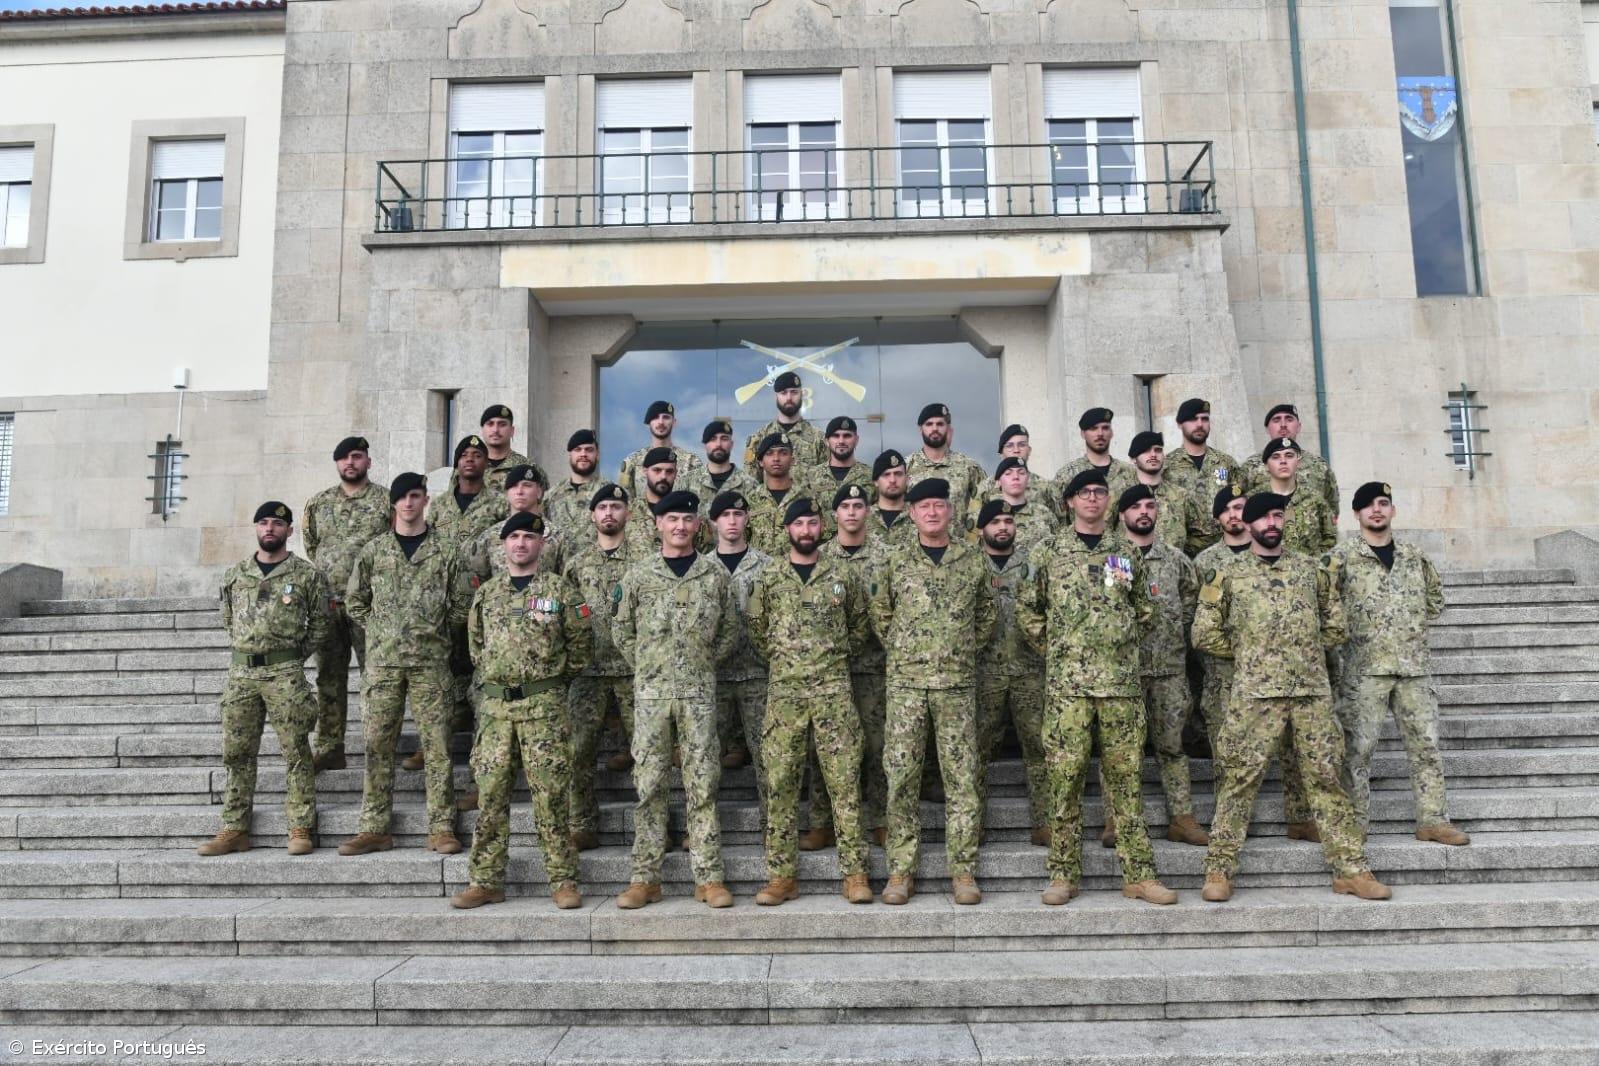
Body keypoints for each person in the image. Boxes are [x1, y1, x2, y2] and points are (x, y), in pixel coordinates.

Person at [1193, 493, 1391, 902]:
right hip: (1255, 694)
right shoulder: (1225, 574)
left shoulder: (1309, 570)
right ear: (1247, 525)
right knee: (1238, 781)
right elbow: (1204, 633)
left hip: (1310, 694)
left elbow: (1336, 626)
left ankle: (1350, 868)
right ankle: (1219, 870)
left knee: (1325, 778)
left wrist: (1298, 652)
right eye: (1262, 516)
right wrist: (1254, 650)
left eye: (1277, 514)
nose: (1271, 521)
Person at [1018, 470, 1177, 906]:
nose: (1093, 499)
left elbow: (1145, 609)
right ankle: (1063, 874)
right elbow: (1028, 610)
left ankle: (1139, 874)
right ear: (1070, 501)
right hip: (1069, 688)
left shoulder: (1125, 551)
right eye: (1084, 493)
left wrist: (1118, 643)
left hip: (1121, 686)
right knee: (1065, 781)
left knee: (1126, 783)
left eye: (1100, 492)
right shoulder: (1049, 551)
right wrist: (1060, 649)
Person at [451, 511, 590, 911]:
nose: (521, 544)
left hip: (544, 709)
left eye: (529, 537)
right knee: (491, 797)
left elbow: (580, 649)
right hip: (495, 711)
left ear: (541, 544)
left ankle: (563, 879)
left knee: (551, 797)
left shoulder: (562, 592)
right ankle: (485, 880)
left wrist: (548, 683)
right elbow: (476, 648)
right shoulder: (487, 594)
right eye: (514, 537)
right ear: (503, 544)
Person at [871, 478, 997, 905]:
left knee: (961, 780)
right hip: (907, 686)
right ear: (911, 513)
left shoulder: (972, 559)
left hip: (956, 687)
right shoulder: (894, 560)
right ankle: (900, 871)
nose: (931, 513)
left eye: (939, 505)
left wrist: (957, 650)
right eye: (923, 506)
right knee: (901, 778)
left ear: (950, 511)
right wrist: (909, 651)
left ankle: (963, 871)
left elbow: (986, 616)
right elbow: (881, 613)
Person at [612, 490, 740, 909]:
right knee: (649, 786)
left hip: (699, 696)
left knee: (702, 784)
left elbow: (729, 631)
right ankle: (644, 878)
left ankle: (709, 878)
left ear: (699, 526)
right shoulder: (638, 576)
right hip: (651, 696)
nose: (680, 526)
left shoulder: (713, 575)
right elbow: (622, 632)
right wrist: (650, 666)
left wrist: (701, 664)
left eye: (687, 519)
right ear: (657, 525)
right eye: (671, 519)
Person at [747, 497, 874, 905]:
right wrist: (788, 662)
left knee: (844, 784)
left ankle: (855, 874)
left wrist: (829, 661)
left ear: (823, 528)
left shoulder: (841, 575)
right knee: (781, 784)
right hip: (785, 695)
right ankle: (781, 876)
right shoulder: (769, 578)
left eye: (812, 523)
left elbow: (858, 627)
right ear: (787, 529)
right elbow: (757, 631)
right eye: (799, 523)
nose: (806, 530)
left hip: (833, 692)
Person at [340, 473, 473, 857]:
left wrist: (432, 628)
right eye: (402, 497)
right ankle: (374, 827)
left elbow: (463, 603)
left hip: (431, 664)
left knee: (438, 747)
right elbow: (355, 600)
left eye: (416, 496)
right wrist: (383, 629)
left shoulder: (447, 550)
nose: (409, 503)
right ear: (393, 504)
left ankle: (442, 827)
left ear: (426, 500)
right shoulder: (374, 551)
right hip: (384, 665)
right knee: (378, 745)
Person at [1333, 482, 1468, 846]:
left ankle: (1433, 820)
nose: (1376, 510)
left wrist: (1403, 624)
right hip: (1365, 670)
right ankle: (1353, 826)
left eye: (1383, 504)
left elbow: (1435, 600)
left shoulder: (1414, 556)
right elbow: (1326, 608)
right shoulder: (1340, 559)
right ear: (1356, 514)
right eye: (1368, 505)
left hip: (1413, 669)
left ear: (1392, 510)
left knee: (1426, 748)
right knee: (1356, 752)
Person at [198, 502, 330, 857]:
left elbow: (320, 624)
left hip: (284, 673)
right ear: (255, 528)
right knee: (237, 753)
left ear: (289, 531)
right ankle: (234, 827)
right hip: (242, 674)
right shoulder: (235, 575)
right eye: (264, 523)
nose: (269, 528)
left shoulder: (306, 575)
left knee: (297, 752)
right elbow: (228, 619)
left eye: (277, 523)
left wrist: (291, 655)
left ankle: (301, 825)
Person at [1194, 484, 1314, 839]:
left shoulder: (1289, 563)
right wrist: (1250, 648)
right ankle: (1228, 824)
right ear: (1219, 517)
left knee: (1293, 749)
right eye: (1228, 508)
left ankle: (1299, 816)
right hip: (1225, 677)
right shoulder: (1208, 564)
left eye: (1240, 508)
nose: (1235, 514)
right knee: (1230, 754)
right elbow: (1200, 624)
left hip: (1281, 678)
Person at [1116, 484, 1207, 846]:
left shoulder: (1175, 558)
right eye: (1135, 506)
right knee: (1121, 751)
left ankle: (1181, 818)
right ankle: (1117, 820)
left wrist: (1175, 636)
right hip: (1126, 671)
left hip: (1169, 670)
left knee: (1172, 748)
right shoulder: (1115, 558)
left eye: (1149, 505)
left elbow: (1190, 603)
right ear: (1122, 514)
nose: (1143, 512)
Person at [562, 483, 651, 848]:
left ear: (628, 513)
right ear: (592, 516)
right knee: (578, 751)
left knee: (648, 754)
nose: (610, 513)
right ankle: (581, 823)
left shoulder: (645, 560)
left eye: (617, 506)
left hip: (635, 672)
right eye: (603, 508)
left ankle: (651, 826)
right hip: (589, 672)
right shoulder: (577, 564)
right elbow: (567, 612)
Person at [301, 435, 393, 772]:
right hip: (328, 604)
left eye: (357, 457)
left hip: (370, 603)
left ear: (368, 461)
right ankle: (329, 746)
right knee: (328, 677)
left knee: (377, 676)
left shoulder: (386, 501)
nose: (350, 463)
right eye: (344, 458)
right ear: (337, 463)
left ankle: (378, 745)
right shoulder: (319, 503)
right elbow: (312, 546)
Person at [814, 484, 891, 846]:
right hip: (828, 674)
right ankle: (823, 822)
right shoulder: (819, 558)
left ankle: (880, 818)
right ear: (834, 514)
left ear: (868, 511)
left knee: (878, 747)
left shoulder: (887, 556)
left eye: (858, 505)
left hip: (875, 668)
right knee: (825, 751)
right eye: (844, 505)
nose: (851, 512)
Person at [425, 433, 508, 765]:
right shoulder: (439, 505)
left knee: (480, 674)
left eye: (477, 454)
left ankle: (482, 750)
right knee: (442, 675)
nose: (471, 459)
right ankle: (436, 744)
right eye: (465, 454)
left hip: (480, 600)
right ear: (457, 463)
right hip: (443, 601)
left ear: (487, 463)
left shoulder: (499, 504)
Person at [973, 499, 1049, 846]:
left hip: (1028, 670)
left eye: (1007, 521)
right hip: (984, 672)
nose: (1002, 527)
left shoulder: (1031, 565)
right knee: (976, 753)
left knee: (1039, 750)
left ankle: (1045, 822)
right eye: (995, 522)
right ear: (982, 528)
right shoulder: (971, 564)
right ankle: (972, 825)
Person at [708, 491, 773, 803]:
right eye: (725, 515)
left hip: (756, 674)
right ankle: (702, 831)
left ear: (747, 519)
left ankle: (771, 829)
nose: (732, 521)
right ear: (714, 522)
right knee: (705, 760)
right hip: (714, 677)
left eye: (738, 514)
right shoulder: (700, 568)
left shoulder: (768, 566)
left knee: (767, 758)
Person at [466, 463, 567, 581]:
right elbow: (478, 581)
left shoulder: (558, 537)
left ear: (539, 492)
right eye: (513, 486)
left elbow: (566, 582)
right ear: (506, 494)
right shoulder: (489, 537)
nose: (519, 491)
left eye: (527, 485)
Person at [1162, 398, 1239, 551]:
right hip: (1184, 550)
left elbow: (1240, 502)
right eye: (1193, 419)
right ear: (1179, 424)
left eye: (1204, 419)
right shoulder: (1167, 466)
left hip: (1223, 550)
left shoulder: (1225, 463)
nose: (1199, 424)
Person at [1241, 403, 1340, 518]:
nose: (1283, 425)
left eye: (1289, 419)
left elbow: (1331, 508)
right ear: (1267, 428)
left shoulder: (1319, 465)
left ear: (1298, 426)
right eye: (1276, 420)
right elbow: (1239, 506)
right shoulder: (1251, 466)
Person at [904, 404, 987, 534]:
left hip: (959, 551)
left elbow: (988, 504)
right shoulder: (906, 467)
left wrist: (973, 536)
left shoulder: (968, 466)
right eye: (929, 424)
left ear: (948, 428)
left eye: (940, 424)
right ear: (920, 429)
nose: (935, 428)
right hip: (916, 550)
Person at [1128, 431, 1208, 556]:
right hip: (1131, 571)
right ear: (1133, 458)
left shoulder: (1180, 495)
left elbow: (1201, 534)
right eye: (1146, 450)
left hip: (1170, 571)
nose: (1153, 455)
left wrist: (1179, 557)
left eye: (1158, 450)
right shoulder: (1122, 495)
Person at [747, 433, 825, 557]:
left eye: (783, 453)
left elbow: (822, 536)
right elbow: (742, 539)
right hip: (759, 572)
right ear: (761, 462)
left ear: (792, 460)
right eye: (769, 453)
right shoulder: (750, 499)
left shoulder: (809, 497)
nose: (776, 458)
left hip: (795, 572)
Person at [1261, 437, 1337, 555]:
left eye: (1289, 455)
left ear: (1299, 462)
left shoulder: (1315, 499)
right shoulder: (1254, 500)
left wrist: (1315, 564)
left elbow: (1330, 539)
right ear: (1266, 465)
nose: (1283, 461)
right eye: (1276, 457)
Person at [741, 370, 827, 473]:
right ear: (776, 396)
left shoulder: (819, 439)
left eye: (794, 392)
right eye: (784, 393)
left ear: (801, 395)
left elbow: (825, 480)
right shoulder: (759, 438)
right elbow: (752, 483)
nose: (789, 398)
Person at [619, 400, 705, 503]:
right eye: (655, 418)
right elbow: (624, 502)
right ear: (648, 424)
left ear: (674, 422)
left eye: (666, 417)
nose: (660, 422)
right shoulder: (632, 461)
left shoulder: (691, 461)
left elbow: (700, 502)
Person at [1054, 408, 1137, 500]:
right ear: (1083, 434)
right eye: (1093, 428)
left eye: (1105, 428)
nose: (1100, 433)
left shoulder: (1130, 473)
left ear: (1112, 433)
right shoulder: (1067, 475)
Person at [985, 456, 1058, 555]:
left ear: (1027, 478)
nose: (1016, 477)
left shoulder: (1044, 514)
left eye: (1021, 472)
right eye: (1008, 473)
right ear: (998, 482)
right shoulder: (986, 516)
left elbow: (1057, 548)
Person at [682, 419, 760, 508]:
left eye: (724, 438)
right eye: (713, 439)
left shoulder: (750, 485)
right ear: (705, 445)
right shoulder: (686, 482)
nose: (718, 444)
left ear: (731, 444)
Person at [544, 429, 601, 537]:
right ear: (570, 455)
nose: (583, 454)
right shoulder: (551, 496)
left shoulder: (608, 493)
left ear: (597, 454)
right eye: (578, 449)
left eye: (589, 450)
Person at [998, 423, 1061, 520]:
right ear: (1001, 454)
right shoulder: (987, 487)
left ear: (1029, 450)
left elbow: (1061, 526)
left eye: (1022, 445)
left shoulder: (1047, 488)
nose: (1016, 450)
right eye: (1010, 446)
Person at [476, 404, 536, 494]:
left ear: (512, 430)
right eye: (490, 424)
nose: (495, 430)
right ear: (482, 430)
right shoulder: (469, 468)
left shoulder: (530, 468)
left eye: (502, 424)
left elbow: (542, 505)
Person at [868, 449, 916, 548]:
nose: (893, 480)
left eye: (898, 474)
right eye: (886, 475)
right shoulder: (863, 518)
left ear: (907, 479)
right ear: (876, 481)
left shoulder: (919, 516)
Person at [820, 416, 873, 497]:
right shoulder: (812, 476)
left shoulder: (870, 476)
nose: (841, 441)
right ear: (827, 441)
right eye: (836, 436)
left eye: (847, 436)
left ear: (856, 440)